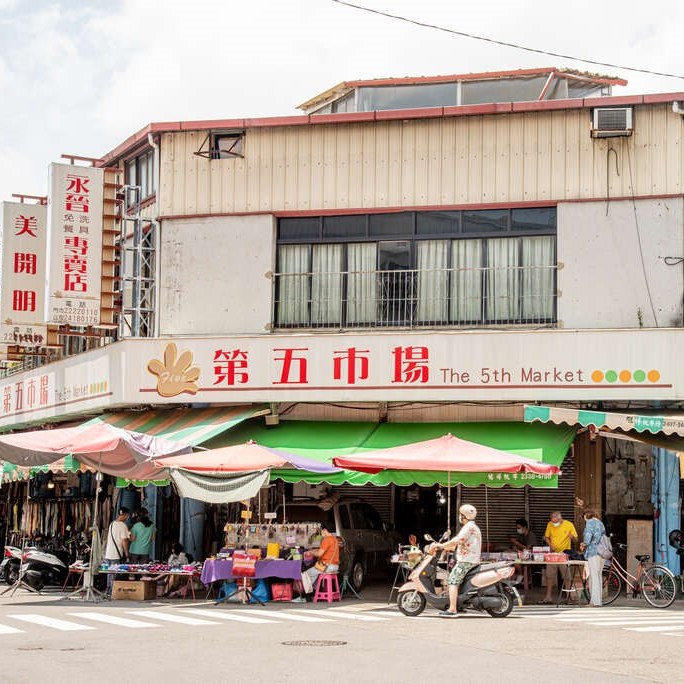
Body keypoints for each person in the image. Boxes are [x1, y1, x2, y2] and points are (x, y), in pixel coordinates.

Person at [435, 504, 482, 618]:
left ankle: (452, 609)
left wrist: (441, 545)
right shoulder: (472, 527)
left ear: (464, 516)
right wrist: (446, 547)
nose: (459, 517)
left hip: (466, 561)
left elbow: (457, 540)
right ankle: (459, 605)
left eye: (461, 515)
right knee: (458, 582)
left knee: (452, 581)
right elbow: (461, 543)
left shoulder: (469, 527)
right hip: (470, 559)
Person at [539, 510, 578, 604]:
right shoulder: (549, 524)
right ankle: (548, 597)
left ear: (560, 518)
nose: (553, 523)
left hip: (564, 554)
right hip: (553, 554)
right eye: (552, 521)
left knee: (567, 576)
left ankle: (568, 597)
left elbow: (576, 539)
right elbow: (546, 536)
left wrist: (572, 537)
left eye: (555, 521)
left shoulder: (569, 525)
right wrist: (549, 544)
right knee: (549, 576)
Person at [302, 524, 340, 595]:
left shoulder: (327, 539)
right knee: (314, 574)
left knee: (306, 574)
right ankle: (317, 592)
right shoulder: (334, 539)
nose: (321, 533)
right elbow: (322, 550)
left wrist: (310, 553)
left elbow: (319, 554)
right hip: (335, 566)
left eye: (321, 531)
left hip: (327, 566)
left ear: (324, 530)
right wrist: (312, 551)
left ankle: (304, 596)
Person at [580, 508, 606, 607]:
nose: (584, 519)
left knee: (593, 576)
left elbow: (588, 537)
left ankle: (595, 602)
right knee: (598, 576)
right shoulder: (600, 523)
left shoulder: (590, 522)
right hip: (602, 553)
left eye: (584, 516)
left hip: (593, 552)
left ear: (587, 515)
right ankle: (598, 601)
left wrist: (583, 544)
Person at [103, 507, 131, 597]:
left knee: (109, 574)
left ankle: (108, 591)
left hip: (108, 553)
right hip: (116, 554)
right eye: (127, 516)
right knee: (114, 574)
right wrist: (127, 554)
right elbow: (124, 541)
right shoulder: (122, 526)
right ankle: (111, 592)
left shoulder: (112, 524)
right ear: (125, 515)